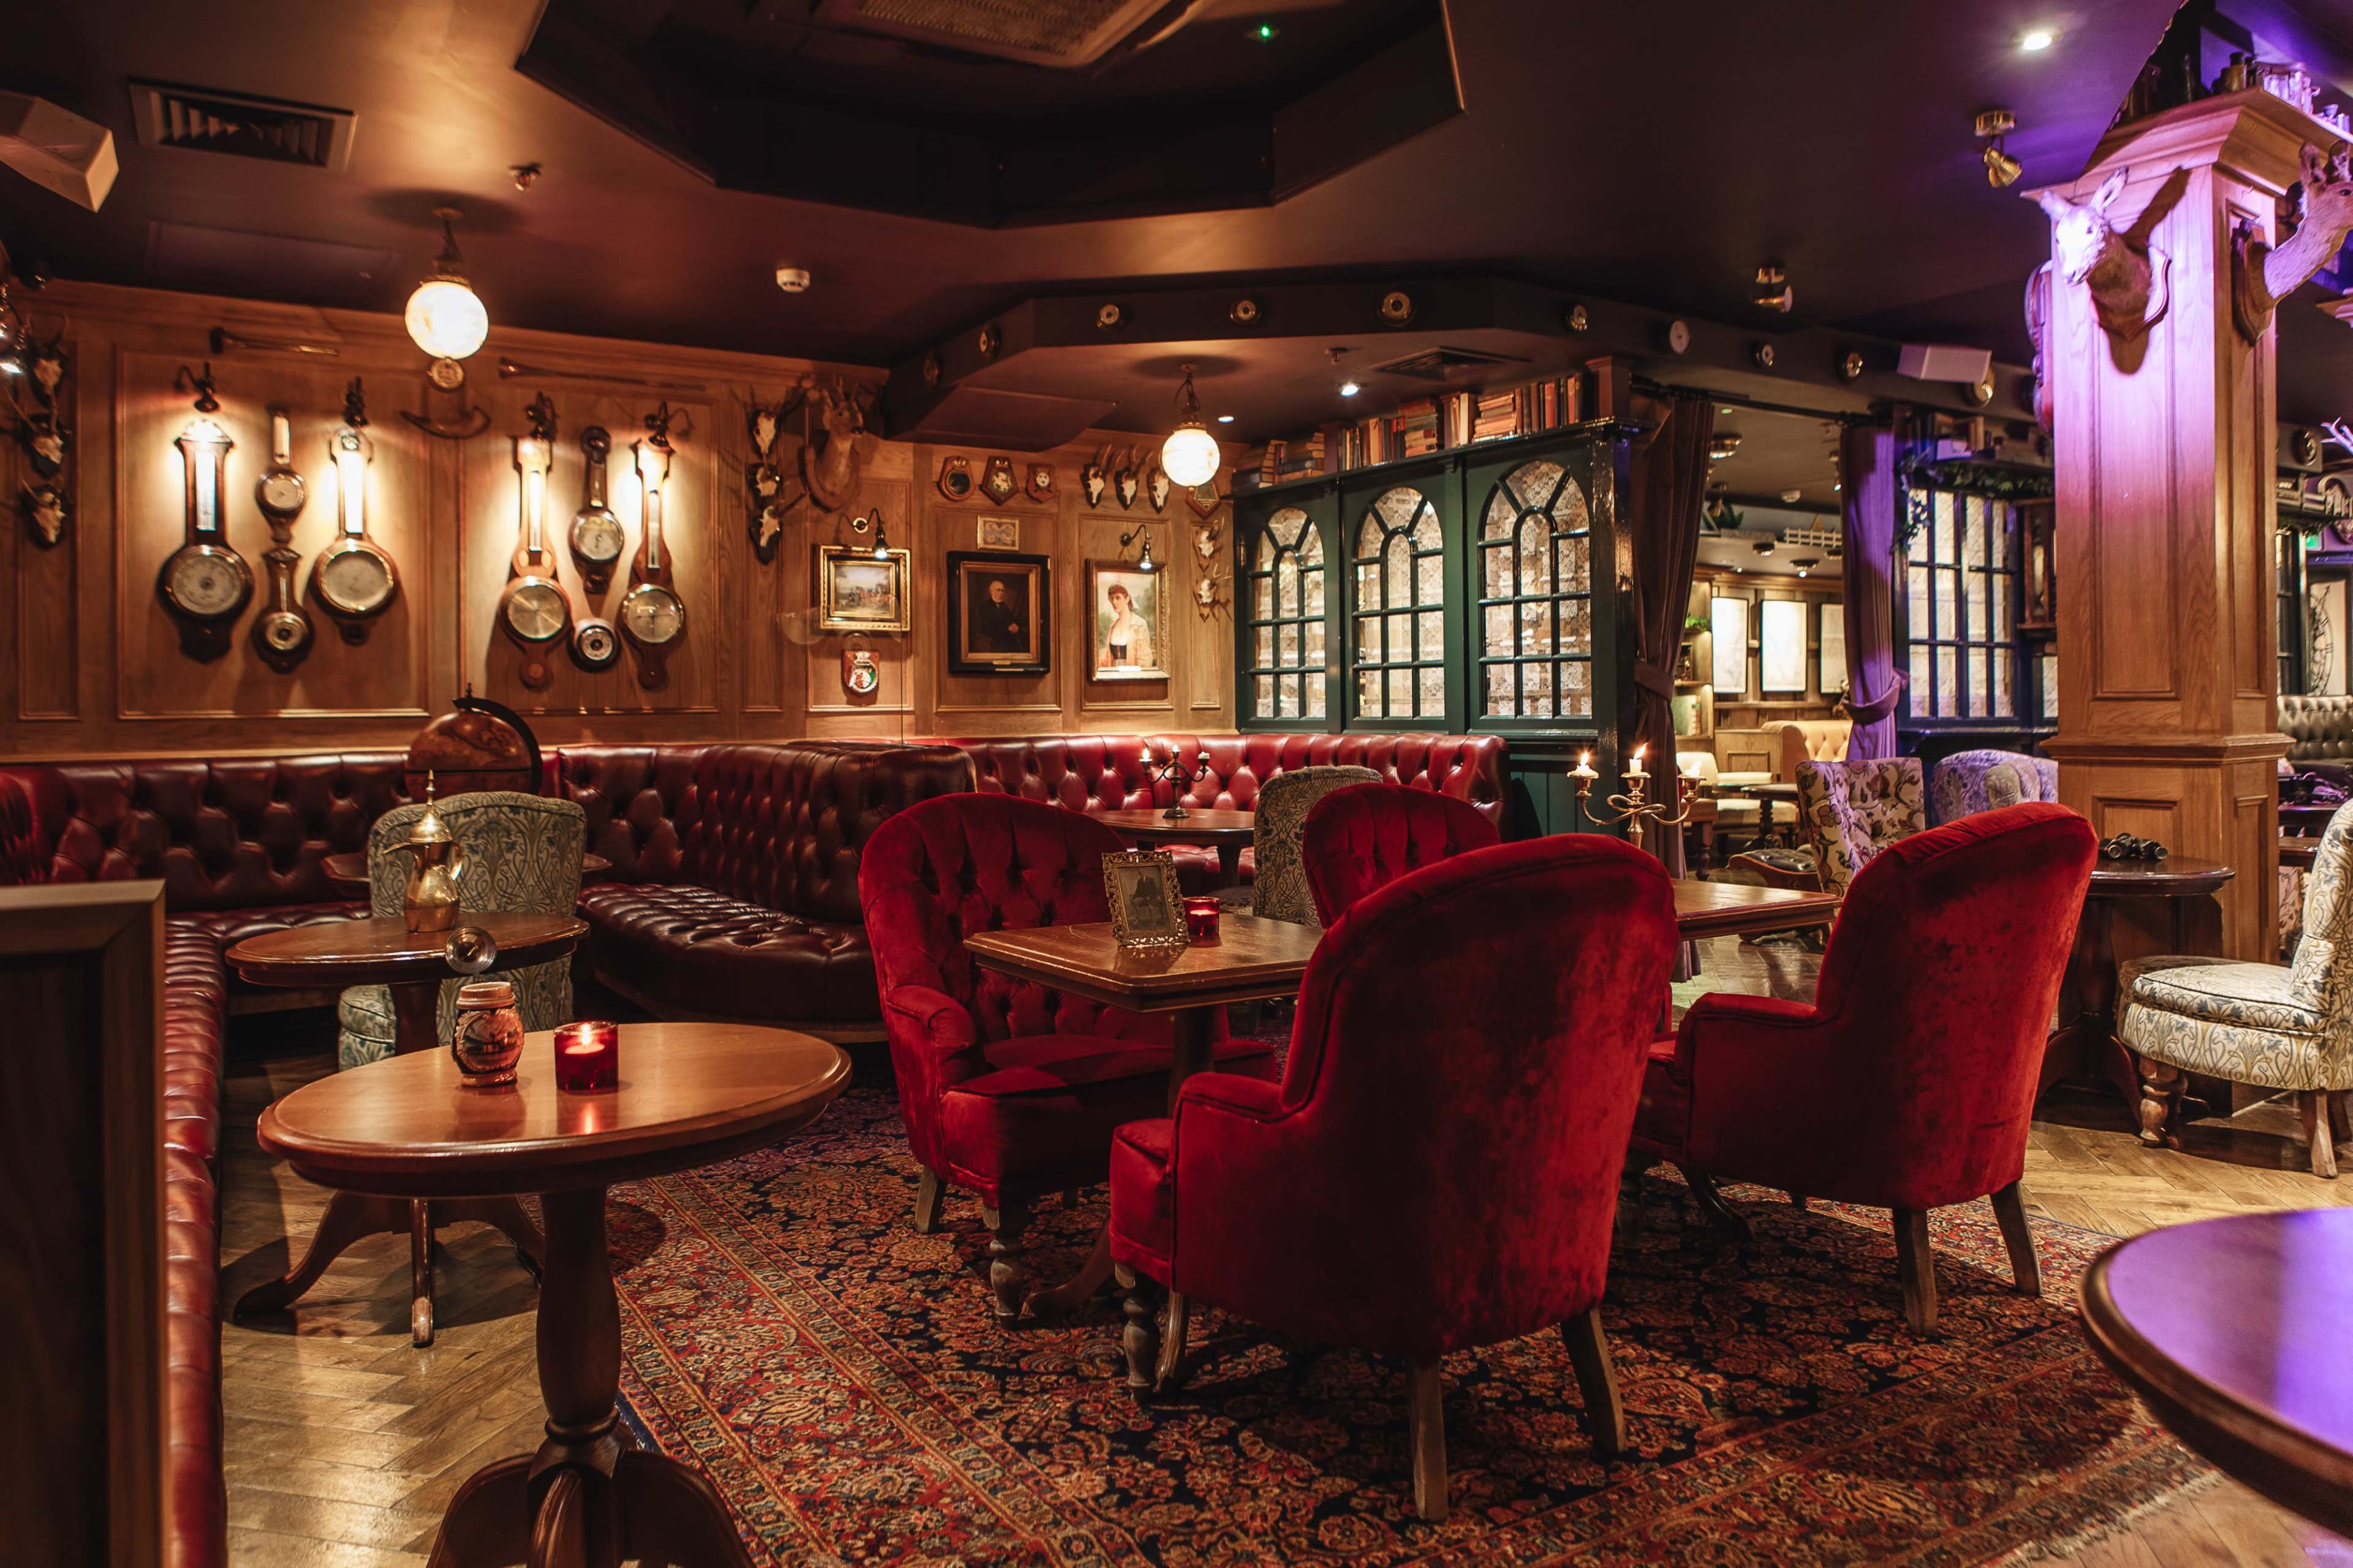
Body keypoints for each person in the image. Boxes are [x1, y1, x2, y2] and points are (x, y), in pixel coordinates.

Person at [1099, 580, 1153, 670]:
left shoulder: (1140, 624)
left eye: (1118, 598)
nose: (1114, 602)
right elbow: (1107, 659)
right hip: (1112, 678)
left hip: (1133, 679)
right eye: (1112, 599)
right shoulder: (1112, 627)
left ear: (1127, 599)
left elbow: (1145, 661)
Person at [968, 575, 1026, 654]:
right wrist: (1008, 629)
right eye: (998, 590)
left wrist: (1014, 625)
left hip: (1008, 636)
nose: (1001, 593)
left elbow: (1011, 619)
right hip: (994, 638)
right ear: (991, 591)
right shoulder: (984, 606)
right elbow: (988, 627)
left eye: (1002, 591)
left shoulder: (1004, 606)